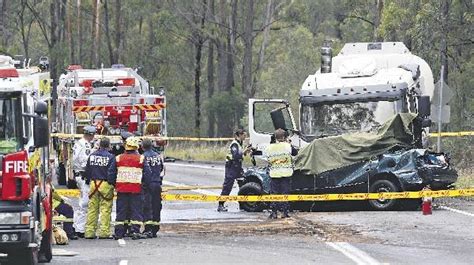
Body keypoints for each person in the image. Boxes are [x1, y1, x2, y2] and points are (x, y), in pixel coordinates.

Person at [111, 137, 151, 240]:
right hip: (136, 189)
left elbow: (111, 174)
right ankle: (135, 231)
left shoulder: (118, 158)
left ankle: (119, 233)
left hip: (122, 189)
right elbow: (148, 175)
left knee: (121, 211)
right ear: (136, 147)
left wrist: (115, 185)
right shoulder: (141, 158)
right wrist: (144, 186)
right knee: (136, 211)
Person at [84, 137, 116, 239]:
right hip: (105, 184)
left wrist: (88, 181)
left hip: (93, 184)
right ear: (108, 146)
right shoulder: (111, 157)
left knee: (92, 209)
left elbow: (87, 170)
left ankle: (89, 232)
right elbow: (111, 173)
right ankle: (104, 232)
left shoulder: (92, 156)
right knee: (105, 209)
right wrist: (113, 184)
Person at [265, 129, 298, 219]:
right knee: (285, 193)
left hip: (274, 174)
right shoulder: (287, 146)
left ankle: (274, 212)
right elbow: (295, 153)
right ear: (284, 137)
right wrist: (289, 143)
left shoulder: (269, 147)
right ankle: (284, 212)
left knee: (274, 194)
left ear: (275, 137)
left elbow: (266, 158)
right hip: (286, 174)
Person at [217, 129, 252, 212]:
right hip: (231, 167)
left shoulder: (240, 143)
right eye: (244, 135)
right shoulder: (234, 144)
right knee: (228, 186)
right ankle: (221, 204)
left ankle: (243, 205)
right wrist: (245, 151)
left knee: (243, 184)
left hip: (238, 166)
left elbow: (241, 155)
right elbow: (236, 155)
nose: (245, 137)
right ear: (239, 135)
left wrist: (247, 151)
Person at [72, 125, 96, 238]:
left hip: (78, 174)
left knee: (82, 202)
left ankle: (77, 226)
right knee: (85, 203)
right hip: (83, 175)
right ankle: (80, 229)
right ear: (90, 135)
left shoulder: (78, 143)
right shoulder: (85, 145)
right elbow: (84, 161)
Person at [142, 138, 165, 238]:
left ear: (142, 147)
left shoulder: (143, 157)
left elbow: (143, 171)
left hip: (148, 185)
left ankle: (148, 228)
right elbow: (161, 168)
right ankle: (155, 228)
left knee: (147, 206)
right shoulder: (157, 156)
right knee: (156, 206)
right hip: (157, 183)